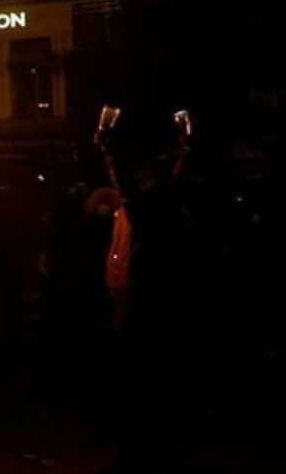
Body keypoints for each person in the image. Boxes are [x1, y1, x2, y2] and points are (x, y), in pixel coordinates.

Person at [94, 106, 198, 474]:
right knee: (156, 384)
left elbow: (123, 179)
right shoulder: (168, 209)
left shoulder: (147, 209)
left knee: (139, 382)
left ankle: (139, 452)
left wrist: (105, 139)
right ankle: (154, 449)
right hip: (159, 302)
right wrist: (186, 140)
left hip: (143, 304)